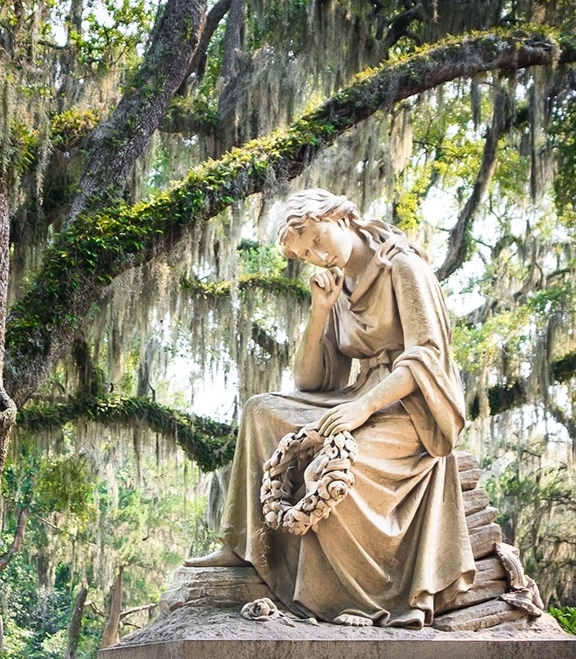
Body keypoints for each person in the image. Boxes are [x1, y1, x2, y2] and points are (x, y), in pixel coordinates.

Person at [186, 189, 474, 628]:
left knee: (331, 467)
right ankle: (243, 543)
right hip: (356, 397)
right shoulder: (338, 285)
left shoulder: (402, 265)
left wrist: (363, 409)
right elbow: (314, 382)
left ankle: (351, 599)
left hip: (407, 408)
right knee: (261, 409)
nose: (316, 256)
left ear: (341, 217)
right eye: (304, 253)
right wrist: (321, 311)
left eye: (316, 240)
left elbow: (428, 355)